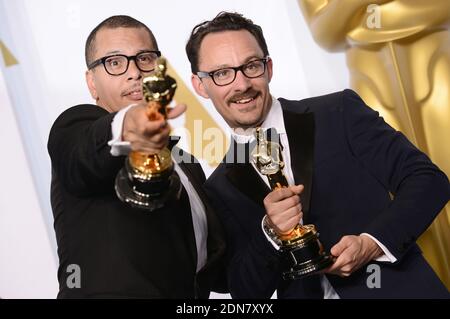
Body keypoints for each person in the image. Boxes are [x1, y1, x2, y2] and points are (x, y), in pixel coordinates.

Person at [185, 11, 450, 298]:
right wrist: (271, 233)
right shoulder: (219, 187)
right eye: (222, 73)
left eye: (251, 65)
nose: (241, 84)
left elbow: (427, 180)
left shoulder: (339, 112)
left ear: (269, 68)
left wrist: (372, 243)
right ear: (200, 85)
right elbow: (244, 290)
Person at [48, 15, 225, 298]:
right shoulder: (75, 127)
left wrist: (274, 230)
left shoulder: (187, 165)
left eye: (144, 59)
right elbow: (81, 159)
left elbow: (215, 271)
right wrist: (126, 124)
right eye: (115, 62)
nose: (134, 73)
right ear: (91, 82)